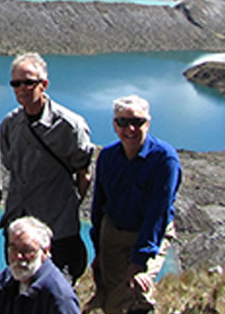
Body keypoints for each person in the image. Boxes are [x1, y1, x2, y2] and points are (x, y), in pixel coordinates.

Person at [0, 53, 94, 281]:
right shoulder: (10, 125)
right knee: (20, 288)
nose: (22, 88)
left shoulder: (69, 126)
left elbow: (84, 174)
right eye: (16, 83)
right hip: (18, 228)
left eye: (29, 82)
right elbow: (12, 169)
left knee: (55, 291)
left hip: (57, 231)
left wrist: (65, 206)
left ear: (44, 85)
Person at [88, 96, 181, 314]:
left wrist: (140, 260)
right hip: (113, 233)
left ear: (147, 124)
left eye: (137, 122)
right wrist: (98, 248)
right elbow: (99, 204)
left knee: (135, 292)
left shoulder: (164, 159)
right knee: (110, 295)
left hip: (148, 234)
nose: (130, 128)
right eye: (122, 122)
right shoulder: (108, 156)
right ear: (114, 125)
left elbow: (158, 213)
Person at [0, 217, 81, 314]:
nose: (18, 256)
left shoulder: (59, 296)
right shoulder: (8, 277)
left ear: (45, 251)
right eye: (14, 248)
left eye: (26, 250)